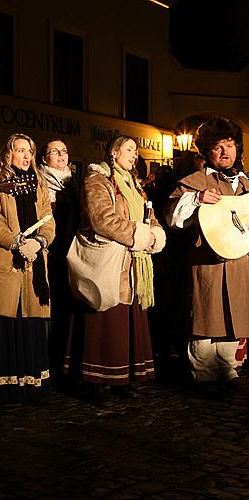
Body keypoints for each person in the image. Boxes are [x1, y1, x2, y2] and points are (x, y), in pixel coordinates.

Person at [64, 136, 165, 404]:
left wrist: (154, 232)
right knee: (105, 320)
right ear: (114, 152)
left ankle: (122, 378)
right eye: (129, 149)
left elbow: (147, 213)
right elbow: (102, 219)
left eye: (136, 150)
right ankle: (95, 380)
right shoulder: (98, 181)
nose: (134, 155)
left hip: (132, 264)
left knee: (126, 321)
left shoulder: (135, 186)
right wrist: (138, 234)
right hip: (108, 264)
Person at [166, 116, 248, 394]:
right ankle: (203, 373)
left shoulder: (246, 183)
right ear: (207, 151)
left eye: (230, 145)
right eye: (218, 146)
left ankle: (227, 368)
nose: (226, 152)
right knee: (207, 314)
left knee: (235, 315)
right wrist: (198, 199)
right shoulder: (195, 181)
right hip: (207, 262)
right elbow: (174, 220)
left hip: (240, 263)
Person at [0, 133, 55, 406]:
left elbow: (49, 221)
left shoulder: (39, 183)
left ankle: (30, 388)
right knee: (3, 326)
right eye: (20, 150)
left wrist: (40, 241)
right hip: (4, 264)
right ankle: (2, 391)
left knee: (30, 323)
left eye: (29, 152)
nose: (25, 156)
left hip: (34, 266)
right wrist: (17, 242)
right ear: (8, 153)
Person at [37, 139, 78, 384]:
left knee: (68, 304)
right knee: (47, 303)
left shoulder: (74, 183)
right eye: (55, 151)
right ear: (44, 159)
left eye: (64, 151)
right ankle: (46, 360)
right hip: (49, 250)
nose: (61, 155)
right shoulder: (39, 182)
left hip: (71, 250)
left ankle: (66, 360)